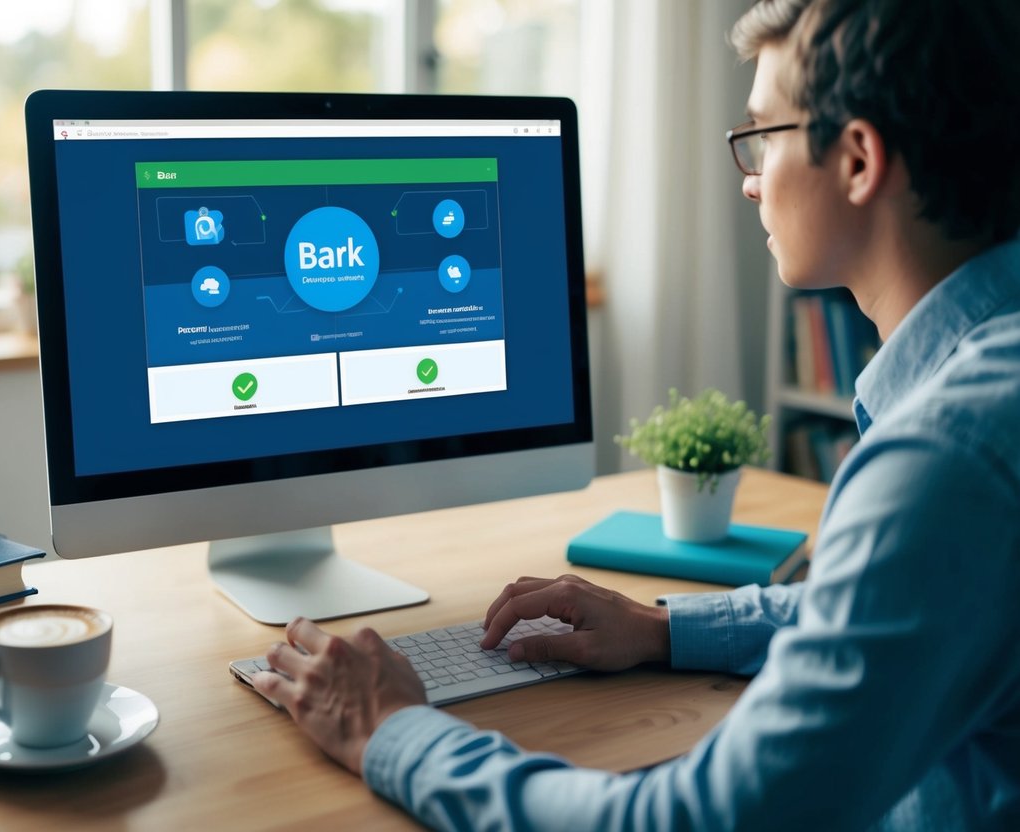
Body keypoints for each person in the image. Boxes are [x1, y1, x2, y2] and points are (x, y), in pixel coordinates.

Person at [253, 0, 1020, 827]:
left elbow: (693, 818)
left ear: (859, 160)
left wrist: (390, 730)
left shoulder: (949, 457)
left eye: (763, 134)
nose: (751, 177)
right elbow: (894, 613)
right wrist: (660, 629)